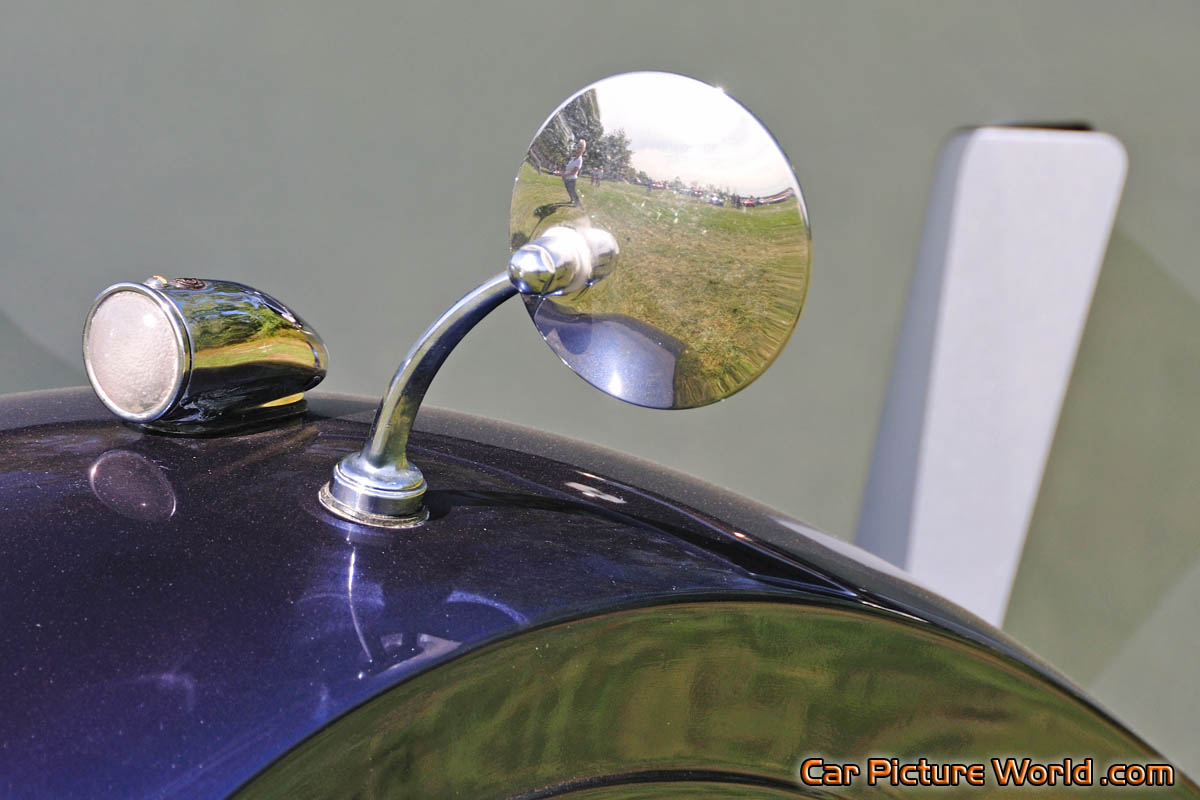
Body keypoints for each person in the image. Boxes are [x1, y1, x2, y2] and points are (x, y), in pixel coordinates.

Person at [562, 139, 585, 207]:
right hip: (567, 178)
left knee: (572, 191)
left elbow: (573, 172)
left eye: (580, 148)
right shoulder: (573, 158)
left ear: (583, 150)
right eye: (578, 147)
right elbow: (568, 168)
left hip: (572, 179)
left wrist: (564, 175)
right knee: (569, 190)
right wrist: (564, 175)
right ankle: (572, 200)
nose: (578, 149)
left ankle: (578, 204)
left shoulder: (579, 160)